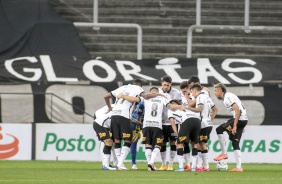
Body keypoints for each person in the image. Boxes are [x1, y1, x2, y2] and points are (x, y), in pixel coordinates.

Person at [104, 79, 164, 170]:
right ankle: (120, 163)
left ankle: (118, 163)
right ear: (140, 86)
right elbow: (145, 96)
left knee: (117, 140)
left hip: (114, 115)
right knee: (128, 140)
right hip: (124, 115)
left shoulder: (122, 88)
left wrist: (110, 108)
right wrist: (157, 94)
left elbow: (106, 96)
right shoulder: (137, 88)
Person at [213, 83, 248, 172]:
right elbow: (241, 108)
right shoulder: (229, 96)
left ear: (220, 91)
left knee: (219, 129)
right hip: (243, 120)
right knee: (235, 142)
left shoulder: (227, 97)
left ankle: (224, 154)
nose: (215, 93)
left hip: (240, 119)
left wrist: (235, 125)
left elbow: (237, 110)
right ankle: (239, 167)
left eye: (215, 91)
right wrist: (241, 124)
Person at [190, 84, 218, 171]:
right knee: (202, 144)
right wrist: (209, 119)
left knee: (198, 144)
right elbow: (215, 109)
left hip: (202, 124)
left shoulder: (200, 97)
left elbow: (200, 109)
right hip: (208, 123)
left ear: (195, 91)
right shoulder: (207, 97)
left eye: (192, 93)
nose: (192, 95)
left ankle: (200, 166)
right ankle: (205, 166)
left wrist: (188, 108)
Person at [168, 99, 201, 172]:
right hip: (197, 121)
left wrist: (177, 135)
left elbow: (173, 125)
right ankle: (193, 167)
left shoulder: (170, 111)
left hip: (187, 121)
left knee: (179, 144)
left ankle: (180, 167)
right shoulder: (184, 107)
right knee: (194, 143)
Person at [158, 75, 182, 171]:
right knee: (162, 142)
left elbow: (180, 105)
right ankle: (163, 164)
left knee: (173, 142)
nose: (166, 87)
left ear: (171, 84)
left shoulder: (177, 93)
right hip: (162, 122)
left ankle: (171, 164)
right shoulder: (158, 92)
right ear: (161, 84)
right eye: (164, 85)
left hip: (173, 121)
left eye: (168, 85)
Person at [93, 105, 117, 170]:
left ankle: (115, 164)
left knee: (112, 142)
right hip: (100, 120)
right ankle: (105, 164)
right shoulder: (118, 107)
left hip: (106, 122)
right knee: (107, 142)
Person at [130, 101, 144, 170]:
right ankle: (133, 164)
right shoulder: (141, 104)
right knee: (133, 141)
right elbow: (138, 115)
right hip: (137, 123)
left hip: (147, 123)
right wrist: (138, 126)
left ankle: (151, 163)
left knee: (150, 142)